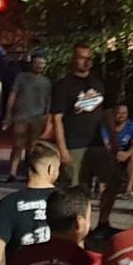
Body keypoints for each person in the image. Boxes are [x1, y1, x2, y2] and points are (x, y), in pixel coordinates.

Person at [48, 44, 107, 186]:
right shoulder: (64, 85)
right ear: (74, 59)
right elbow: (57, 119)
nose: (86, 61)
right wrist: (63, 149)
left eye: (89, 58)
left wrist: (112, 139)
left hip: (96, 143)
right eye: (82, 58)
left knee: (104, 184)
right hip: (74, 145)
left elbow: (106, 113)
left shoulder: (98, 83)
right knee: (75, 188)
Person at [2, 52, 53, 182]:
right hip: (21, 116)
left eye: (42, 63)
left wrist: (47, 117)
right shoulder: (22, 78)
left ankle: (29, 173)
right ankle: (12, 173)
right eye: (37, 63)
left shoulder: (47, 82)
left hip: (38, 118)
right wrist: (8, 114)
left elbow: (48, 100)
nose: (40, 66)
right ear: (31, 64)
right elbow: (12, 95)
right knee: (18, 145)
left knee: (32, 146)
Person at [97, 102, 133, 229]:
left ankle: (128, 189)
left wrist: (127, 154)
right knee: (104, 157)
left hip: (127, 153)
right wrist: (115, 153)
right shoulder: (106, 126)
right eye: (118, 113)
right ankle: (103, 188)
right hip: (110, 153)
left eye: (124, 113)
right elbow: (106, 144)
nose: (121, 116)